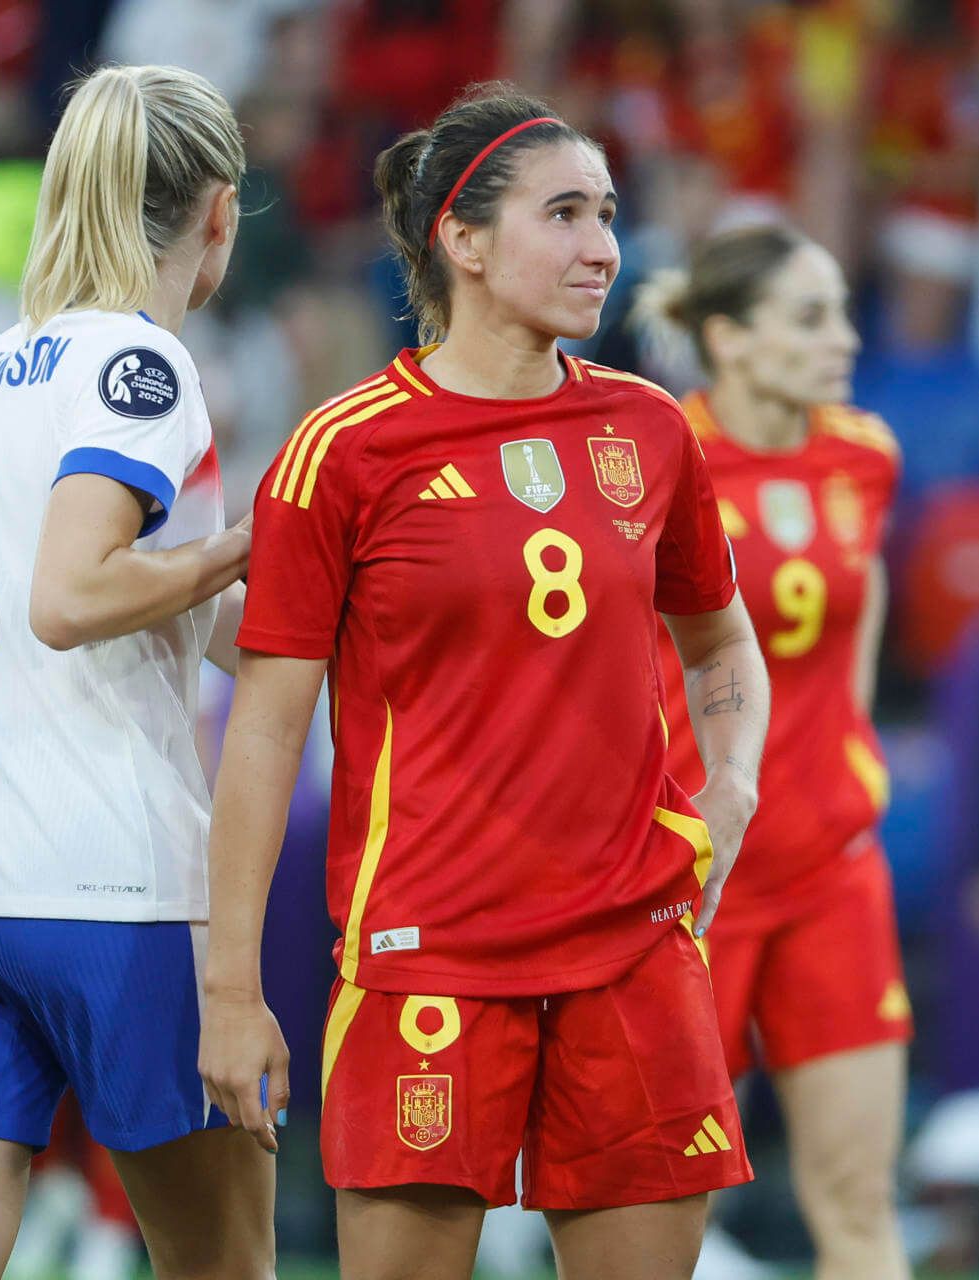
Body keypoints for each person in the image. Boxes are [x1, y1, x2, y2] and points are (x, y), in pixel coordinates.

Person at [196, 84, 772, 1280]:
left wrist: (732, 788)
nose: (604, 246)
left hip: (636, 945)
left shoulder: (653, 430)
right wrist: (231, 988)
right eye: (564, 214)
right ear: (459, 239)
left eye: (608, 214)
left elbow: (721, 641)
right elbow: (261, 734)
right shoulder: (344, 451)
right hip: (429, 953)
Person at [0, 65, 268, 1280]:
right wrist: (253, 541)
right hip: (103, 881)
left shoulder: (4, 363)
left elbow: (158, 607)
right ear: (220, 213)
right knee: (229, 1267)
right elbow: (77, 595)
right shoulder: (146, 365)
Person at [637, 225, 913, 1280]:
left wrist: (853, 737)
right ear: (730, 338)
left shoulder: (864, 453)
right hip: (693, 878)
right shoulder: (660, 456)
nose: (843, 337)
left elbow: (861, 596)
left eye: (841, 310)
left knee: (857, 1202)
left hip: (833, 869)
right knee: (664, 1219)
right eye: (810, 317)